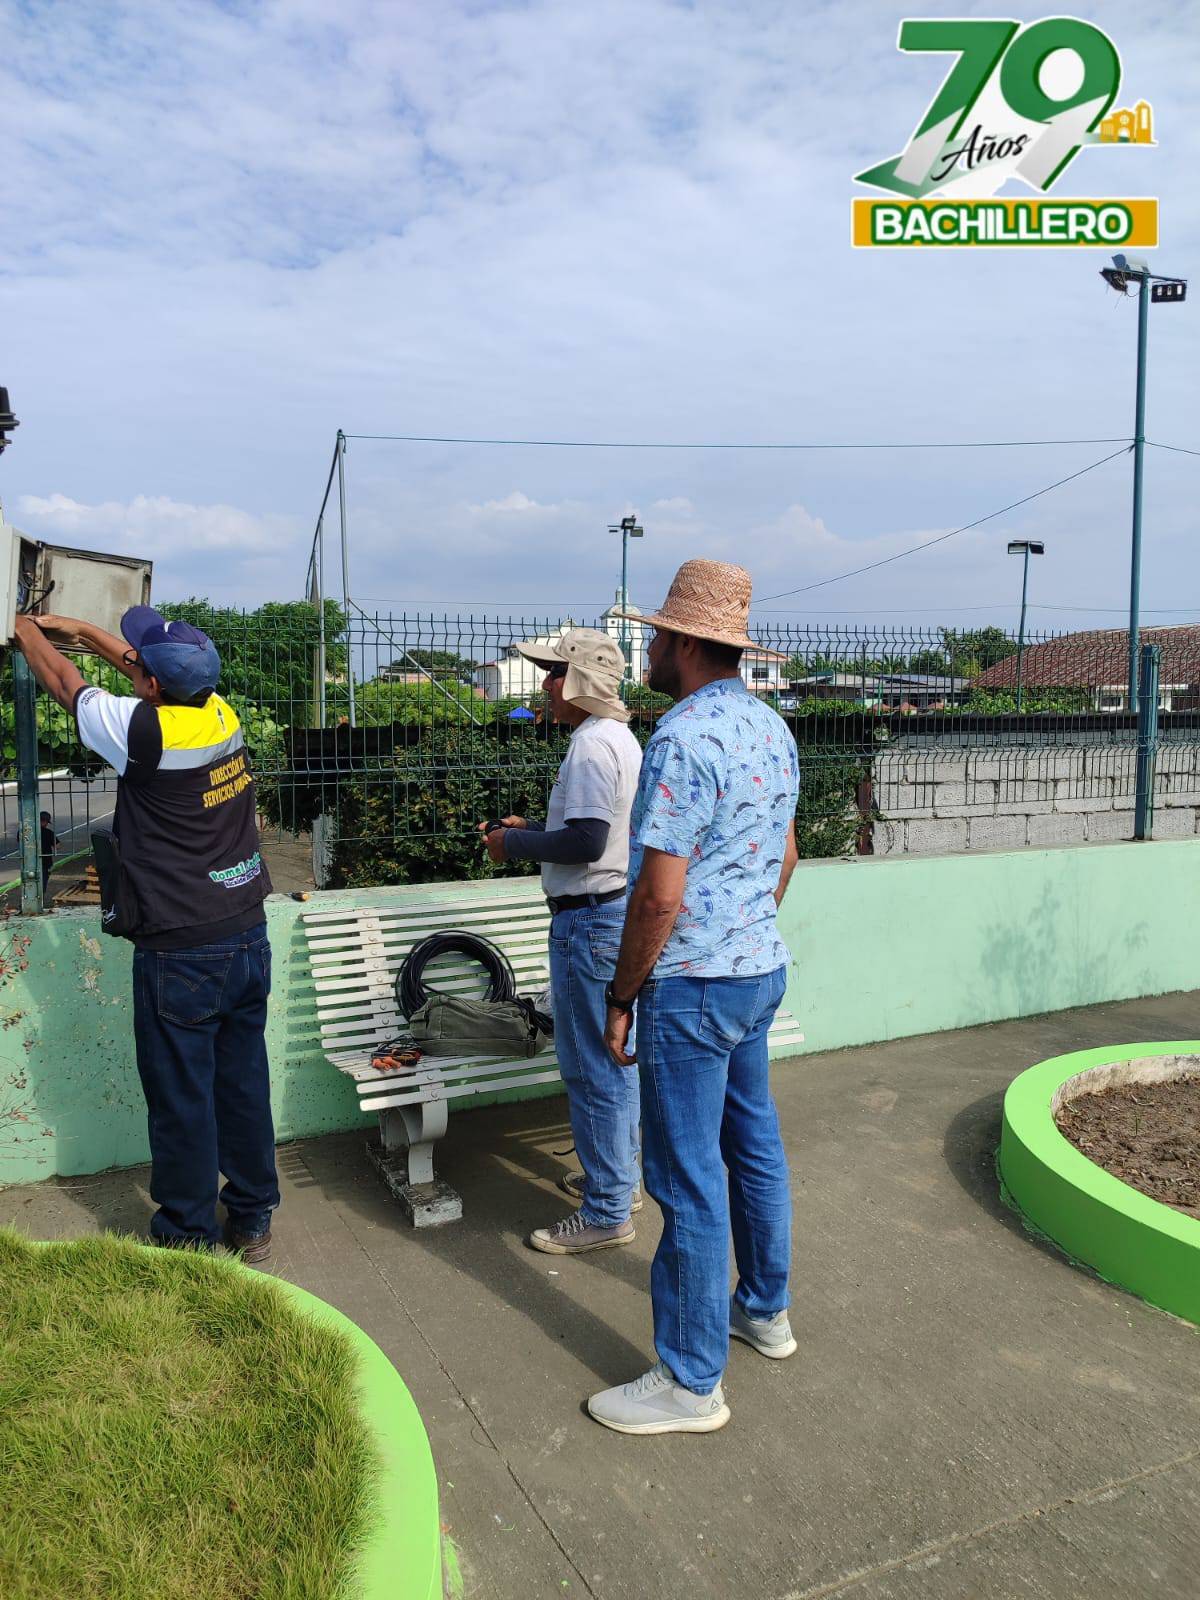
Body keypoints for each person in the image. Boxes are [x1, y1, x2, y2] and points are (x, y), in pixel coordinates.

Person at [586, 559, 800, 1436]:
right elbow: (786, 856)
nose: (646, 649)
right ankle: (765, 1311)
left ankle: (689, 1380)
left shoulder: (680, 739)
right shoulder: (771, 728)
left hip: (693, 988)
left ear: (680, 641)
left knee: (686, 1179)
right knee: (754, 1147)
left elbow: (658, 896)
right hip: (757, 972)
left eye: (653, 637)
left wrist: (622, 993)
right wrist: (744, 929)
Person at [13, 607, 279, 1261]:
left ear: (154, 686)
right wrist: (82, 629)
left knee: (181, 1096)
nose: (130, 662)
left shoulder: (143, 731)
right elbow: (141, 666)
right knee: (242, 1084)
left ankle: (188, 1236)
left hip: (183, 948)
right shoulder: (220, 714)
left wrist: (23, 629)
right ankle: (252, 1216)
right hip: (247, 931)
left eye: (139, 663)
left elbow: (66, 683)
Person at [478, 628, 643, 1255]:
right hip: (608, 917)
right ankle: (619, 1183)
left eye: (553, 674)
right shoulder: (617, 737)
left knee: (590, 1069)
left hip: (588, 926)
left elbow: (587, 843)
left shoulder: (591, 747)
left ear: (577, 682)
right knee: (613, 1062)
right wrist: (533, 827)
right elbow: (593, 830)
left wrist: (512, 843)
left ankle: (606, 1212)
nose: (545, 686)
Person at [39, 811, 57, 897]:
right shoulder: (48, 833)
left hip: (28, 862)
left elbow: (18, 840)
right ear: (44, 821)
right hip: (45, 862)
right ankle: (39, 899)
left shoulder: (26, 831)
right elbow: (58, 845)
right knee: (42, 882)